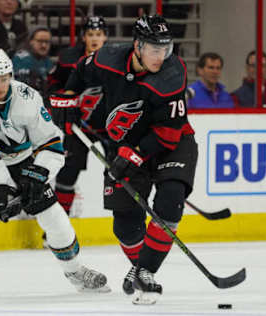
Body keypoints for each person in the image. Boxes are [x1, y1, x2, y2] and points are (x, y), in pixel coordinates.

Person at [50, 15, 198, 305]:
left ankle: (145, 272)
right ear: (137, 45)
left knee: (170, 200)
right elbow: (81, 70)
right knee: (125, 225)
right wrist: (68, 95)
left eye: (165, 49)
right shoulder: (109, 57)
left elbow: (167, 134)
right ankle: (141, 266)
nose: (161, 56)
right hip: (127, 143)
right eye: (155, 49)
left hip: (172, 144)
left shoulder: (172, 73)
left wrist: (136, 154)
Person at [0, 49, 110, 297]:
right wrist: (3, 188)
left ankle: (75, 271)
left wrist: (37, 175)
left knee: (53, 214)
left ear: (11, 75)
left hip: (19, 158)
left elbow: (52, 145)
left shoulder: (28, 97)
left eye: (3, 78)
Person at [49, 16, 109, 217]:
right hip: (78, 127)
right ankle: (59, 226)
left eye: (99, 34)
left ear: (105, 37)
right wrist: (61, 104)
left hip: (111, 128)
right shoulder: (68, 59)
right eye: (90, 34)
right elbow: (53, 85)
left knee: (119, 173)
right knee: (67, 174)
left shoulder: (116, 60)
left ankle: (127, 219)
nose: (94, 39)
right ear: (84, 37)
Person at [12, 26, 53, 94]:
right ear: (31, 41)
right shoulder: (21, 59)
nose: (44, 45)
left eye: (47, 42)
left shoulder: (47, 60)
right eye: (40, 41)